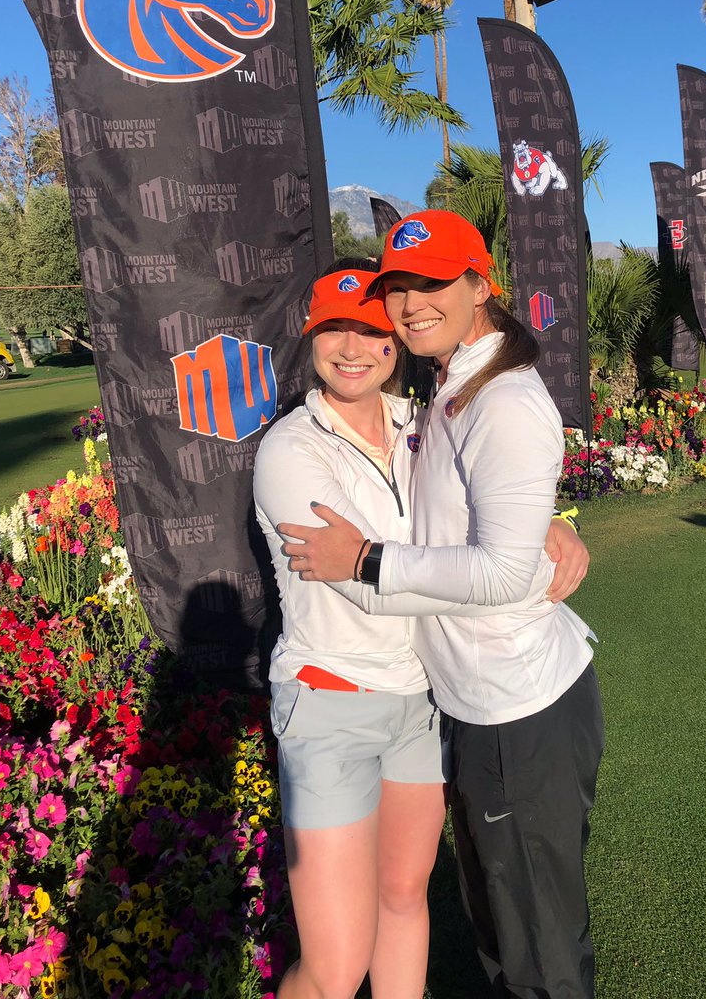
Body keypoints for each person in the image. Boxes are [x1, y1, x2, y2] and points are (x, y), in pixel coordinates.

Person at [278, 213, 604, 999]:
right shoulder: (449, 383)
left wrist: (364, 559)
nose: (410, 303)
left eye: (431, 283)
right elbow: (459, 513)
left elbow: (494, 572)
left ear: (479, 286)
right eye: (398, 288)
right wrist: (546, 523)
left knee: (540, 950)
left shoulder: (502, 399)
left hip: (515, 703)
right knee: (502, 923)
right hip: (470, 701)